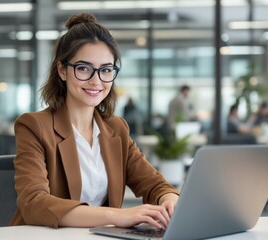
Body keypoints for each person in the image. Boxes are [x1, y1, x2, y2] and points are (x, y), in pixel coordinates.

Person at [10, 13, 179, 229]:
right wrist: (117, 216)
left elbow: (154, 184)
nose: (96, 80)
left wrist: (169, 201)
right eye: (83, 68)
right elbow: (34, 203)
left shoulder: (116, 129)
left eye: (106, 70)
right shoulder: (34, 126)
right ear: (62, 70)